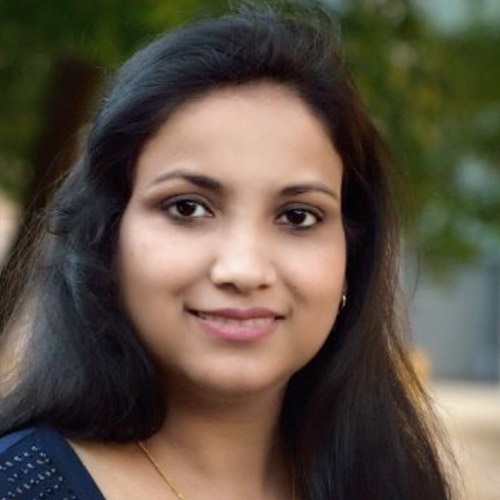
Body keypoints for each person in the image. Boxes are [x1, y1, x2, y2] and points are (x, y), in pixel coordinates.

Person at [0, 2, 458, 499]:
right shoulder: (22, 485)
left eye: (298, 216)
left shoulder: (396, 485)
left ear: (352, 257)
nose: (243, 269)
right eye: (188, 208)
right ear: (108, 236)